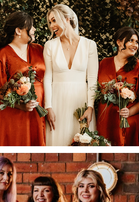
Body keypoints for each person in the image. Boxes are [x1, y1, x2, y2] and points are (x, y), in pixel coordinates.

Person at [44, 4, 98, 146]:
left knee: (81, 142)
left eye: (54, 20)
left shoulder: (89, 45)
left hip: (81, 103)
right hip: (57, 101)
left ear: (67, 19)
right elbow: (48, 78)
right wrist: (48, 106)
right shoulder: (50, 45)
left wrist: (90, 107)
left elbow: (92, 80)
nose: (51, 25)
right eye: (50, 22)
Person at [0, 11, 46, 146]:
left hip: (37, 109)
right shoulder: (2, 55)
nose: (34, 29)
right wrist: (20, 105)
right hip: (13, 113)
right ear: (18, 31)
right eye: (31, 26)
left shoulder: (39, 49)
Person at [97, 27, 139, 146]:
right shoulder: (104, 63)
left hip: (128, 121)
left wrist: (130, 112)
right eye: (131, 40)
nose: (135, 45)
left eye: (137, 42)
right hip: (105, 120)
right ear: (119, 42)